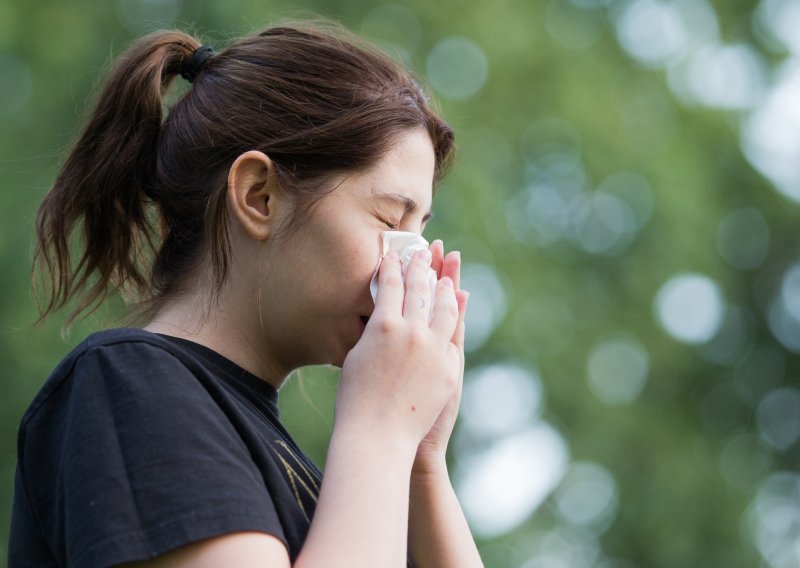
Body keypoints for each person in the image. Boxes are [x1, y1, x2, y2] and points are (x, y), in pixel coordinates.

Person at [8, 17, 483, 568]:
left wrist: (421, 455)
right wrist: (379, 432)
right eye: (389, 219)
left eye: (420, 234)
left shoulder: (326, 469)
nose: (415, 269)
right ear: (259, 196)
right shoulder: (130, 384)